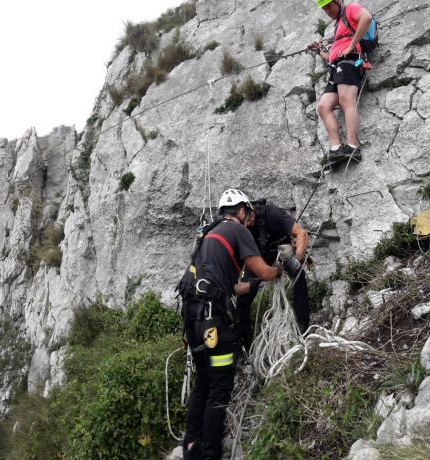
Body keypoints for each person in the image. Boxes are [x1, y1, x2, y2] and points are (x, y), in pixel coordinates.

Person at [177, 189, 283, 460]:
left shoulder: (208, 234)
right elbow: (263, 270)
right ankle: (211, 454)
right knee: (220, 388)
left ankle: (192, 447)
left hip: (192, 319)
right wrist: (280, 269)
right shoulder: (238, 231)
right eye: (248, 212)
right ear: (241, 210)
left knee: (203, 383)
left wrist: (254, 285)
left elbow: (227, 287)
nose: (251, 218)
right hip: (214, 321)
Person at [235, 199, 311, 345]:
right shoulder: (239, 227)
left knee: (298, 275)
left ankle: (303, 325)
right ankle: (241, 339)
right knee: (245, 294)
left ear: (250, 210)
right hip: (257, 258)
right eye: (244, 223)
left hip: (281, 252)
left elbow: (301, 233)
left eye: (249, 219)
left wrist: (297, 258)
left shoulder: (272, 214)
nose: (248, 224)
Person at [309, 0, 373, 165]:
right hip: (336, 65)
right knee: (323, 107)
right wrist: (320, 52)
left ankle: (352, 147)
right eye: (324, 9)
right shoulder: (338, 25)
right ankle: (336, 149)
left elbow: (366, 18)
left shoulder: (351, 8)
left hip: (349, 62)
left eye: (329, 6)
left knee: (346, 100)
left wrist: (351, 46)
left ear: (338, 1)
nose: (328, 11)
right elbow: (333, 55)